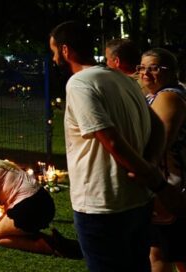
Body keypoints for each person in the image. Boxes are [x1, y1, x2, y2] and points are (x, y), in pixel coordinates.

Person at [49, 20, 166, 271]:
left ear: (66, 50)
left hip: (103, 204)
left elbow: (110, 139)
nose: (54, 57)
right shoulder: (123, 79)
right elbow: (157, 125)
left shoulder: (79, 83)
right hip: (138, 201)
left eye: (54, 50)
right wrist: (151, 163)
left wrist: (150, 175)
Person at [137, 48, 186, 271]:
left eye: (154, 68)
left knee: (175, 252)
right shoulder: (156, 95)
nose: (146, 73)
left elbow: (157, 145)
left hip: (173, 187)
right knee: (158, 251)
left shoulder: (168, 97)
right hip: (163, 186)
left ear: (172, 72)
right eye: (142, 67)